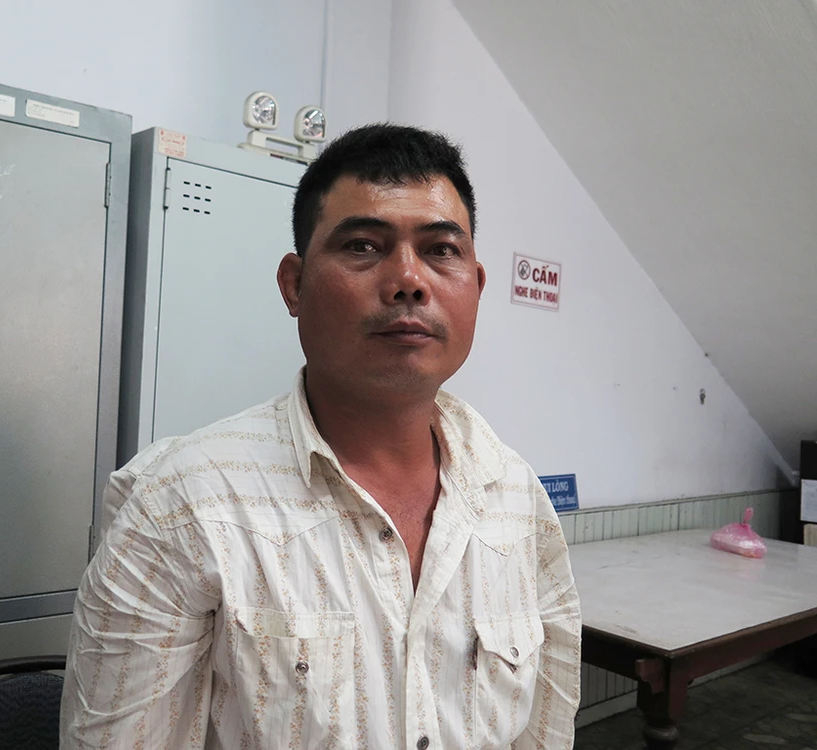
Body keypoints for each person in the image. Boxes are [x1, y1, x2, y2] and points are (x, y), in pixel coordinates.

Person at [60, 123, 581, 749]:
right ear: (294, 285)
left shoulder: (518, 501)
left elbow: (546, 734)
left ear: (476, 287)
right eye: (363, 245)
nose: (408, 279)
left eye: (442, 250)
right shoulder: (183, 506)